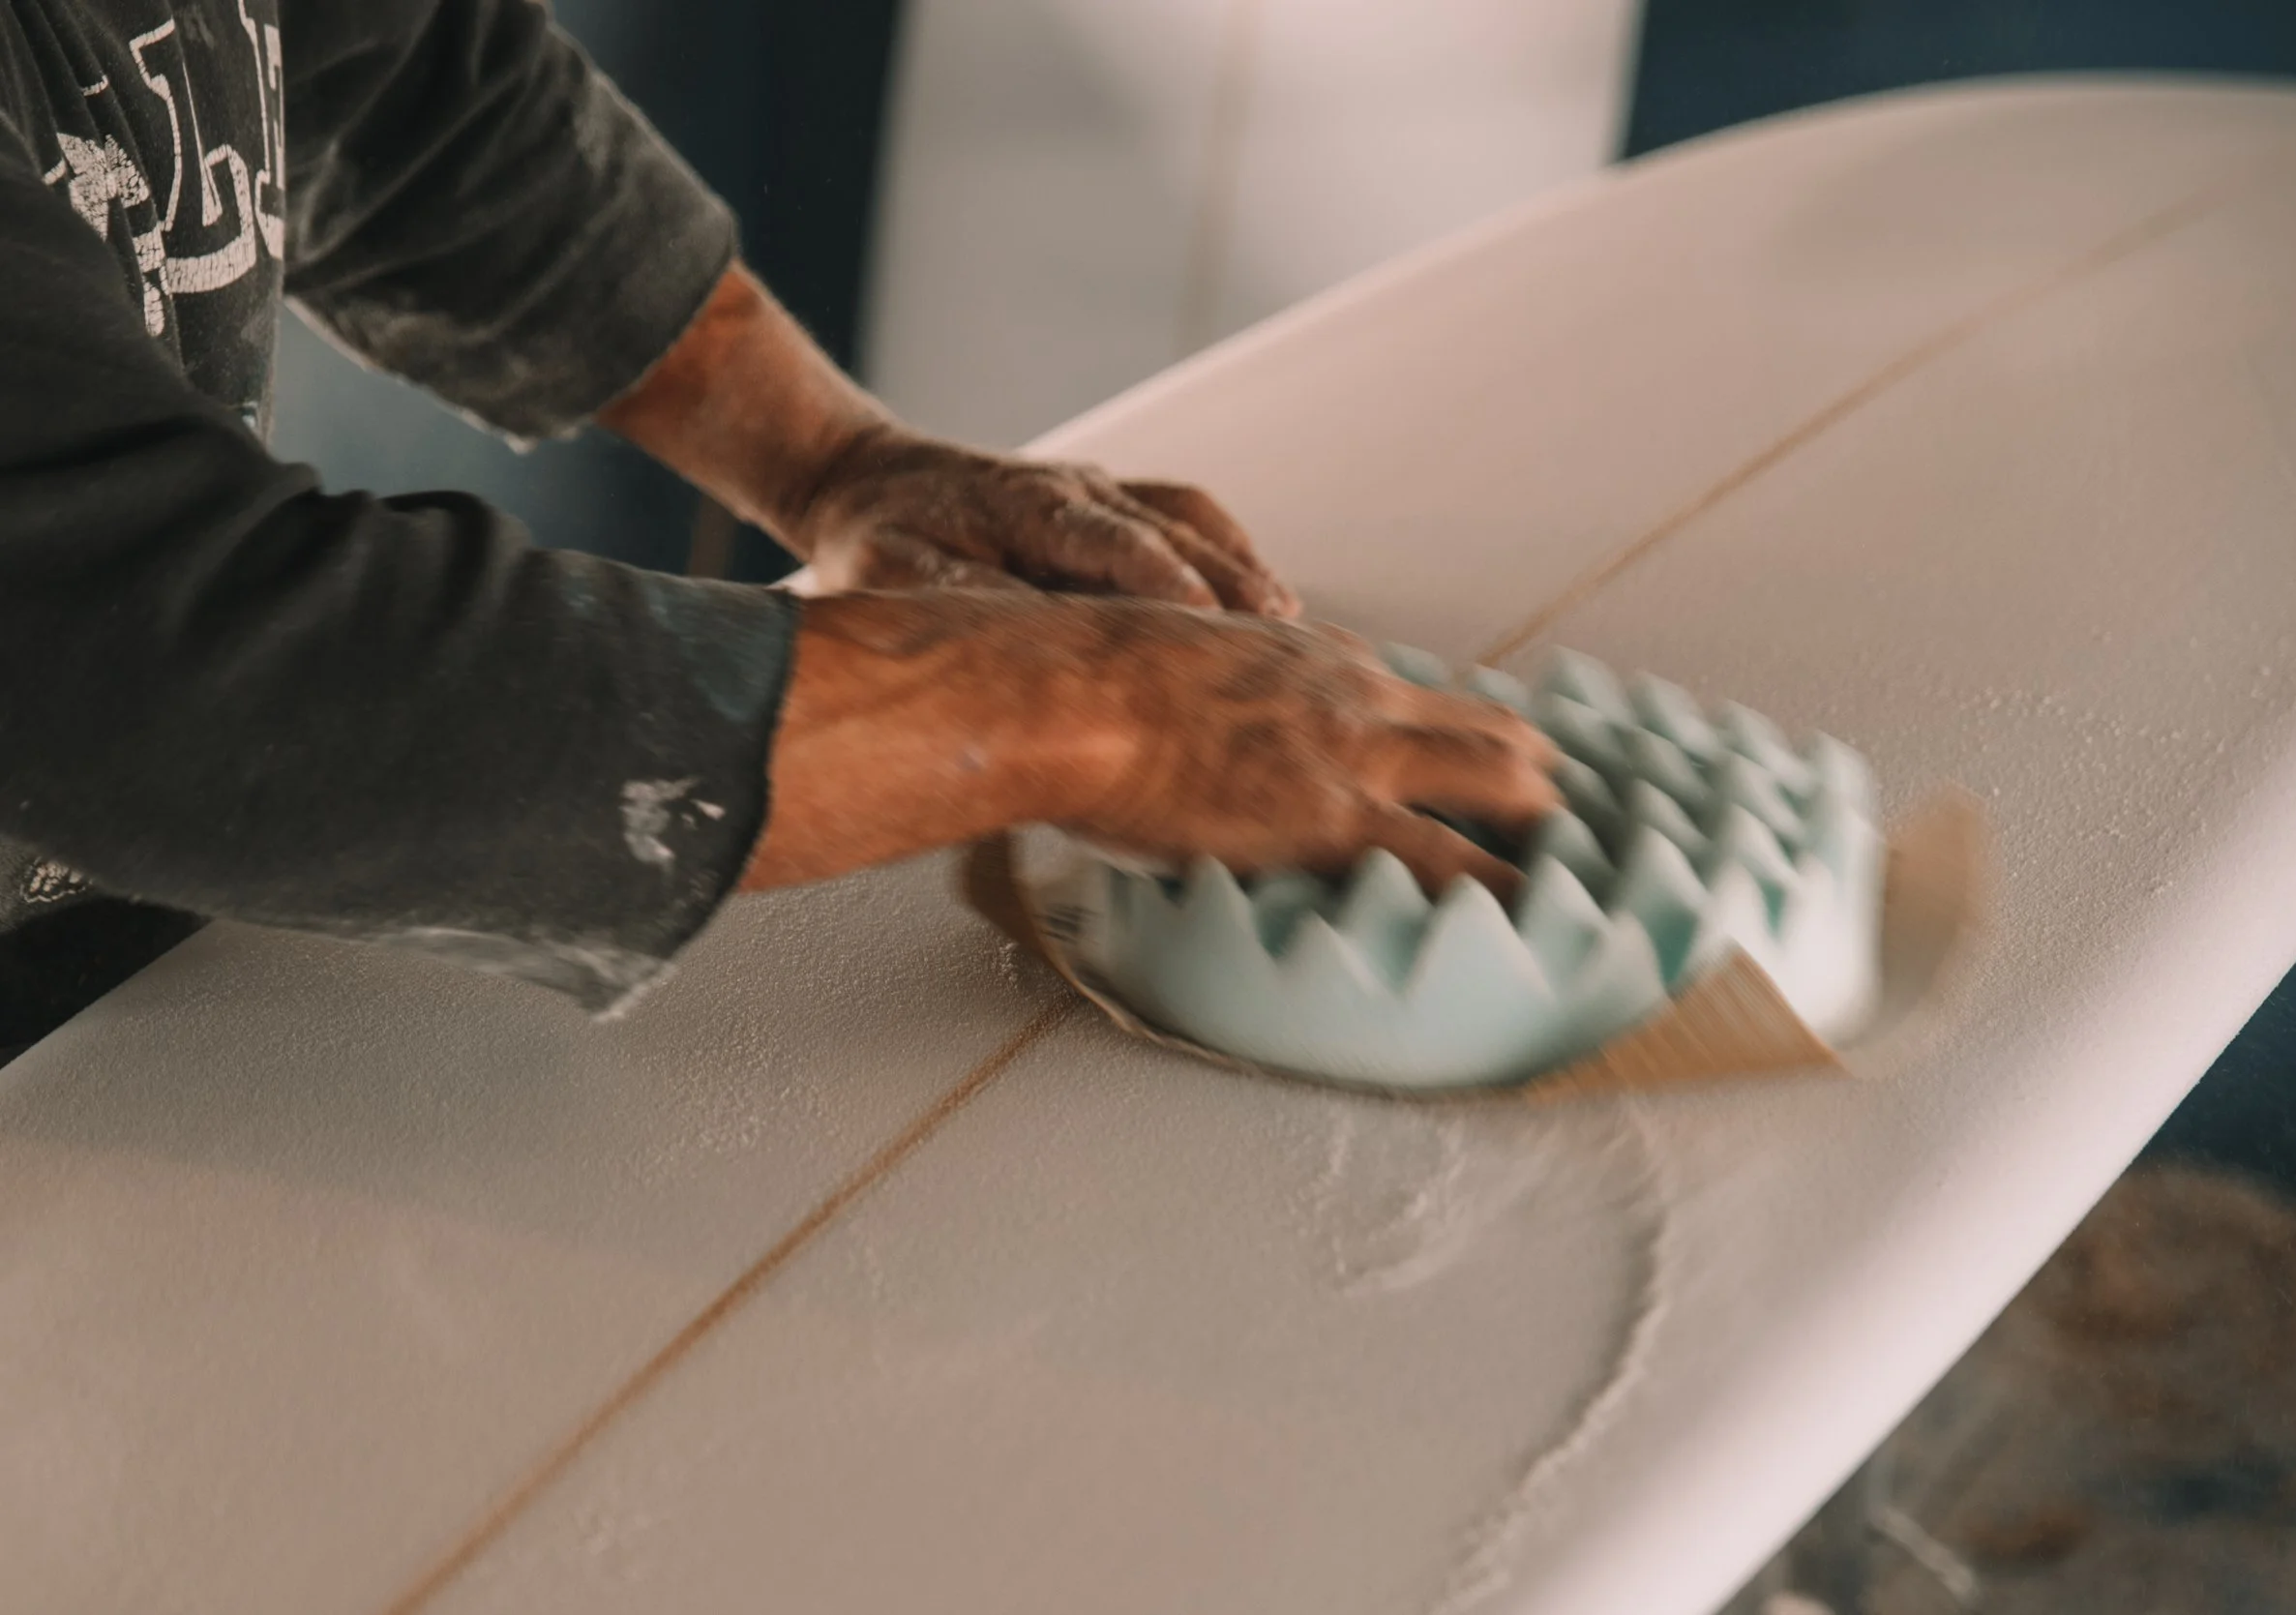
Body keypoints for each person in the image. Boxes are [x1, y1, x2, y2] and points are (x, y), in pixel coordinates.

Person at [0, 0, 1555, 1055]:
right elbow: (171, 661)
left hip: (140, 1018)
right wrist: (1088, 719)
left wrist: (836, 463)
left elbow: (402, 85)